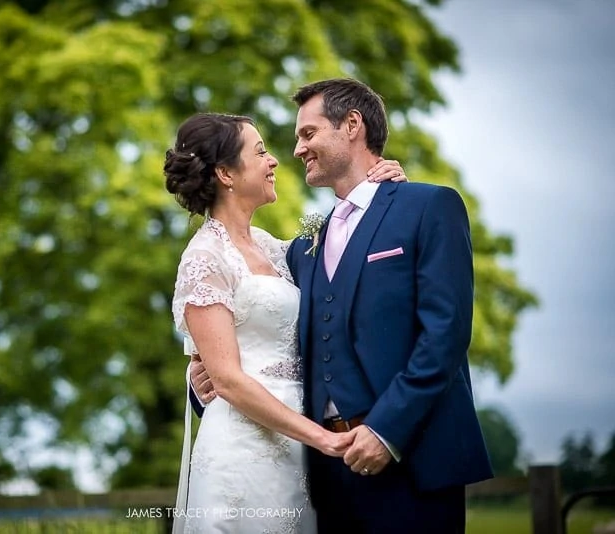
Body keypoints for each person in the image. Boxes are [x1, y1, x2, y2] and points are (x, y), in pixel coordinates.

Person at [190, 78, 494, 534]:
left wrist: (386, 431)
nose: (296, 150)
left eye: (308, 133)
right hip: (322, 476)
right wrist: (201, 377)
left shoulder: (428, 207)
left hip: (412, 461)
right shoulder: (299, 250)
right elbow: (253, 323)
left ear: (352, 125)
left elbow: (445, 336)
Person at [165, 112, 405, 533]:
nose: (275, 160)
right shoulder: (203, 259)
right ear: (225, 173)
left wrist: (375, 185)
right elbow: (228, 380)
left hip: (296, 454)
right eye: (259, 152)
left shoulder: (277, 250)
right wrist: (323, 438)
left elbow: (343, 244)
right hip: (245, 450)